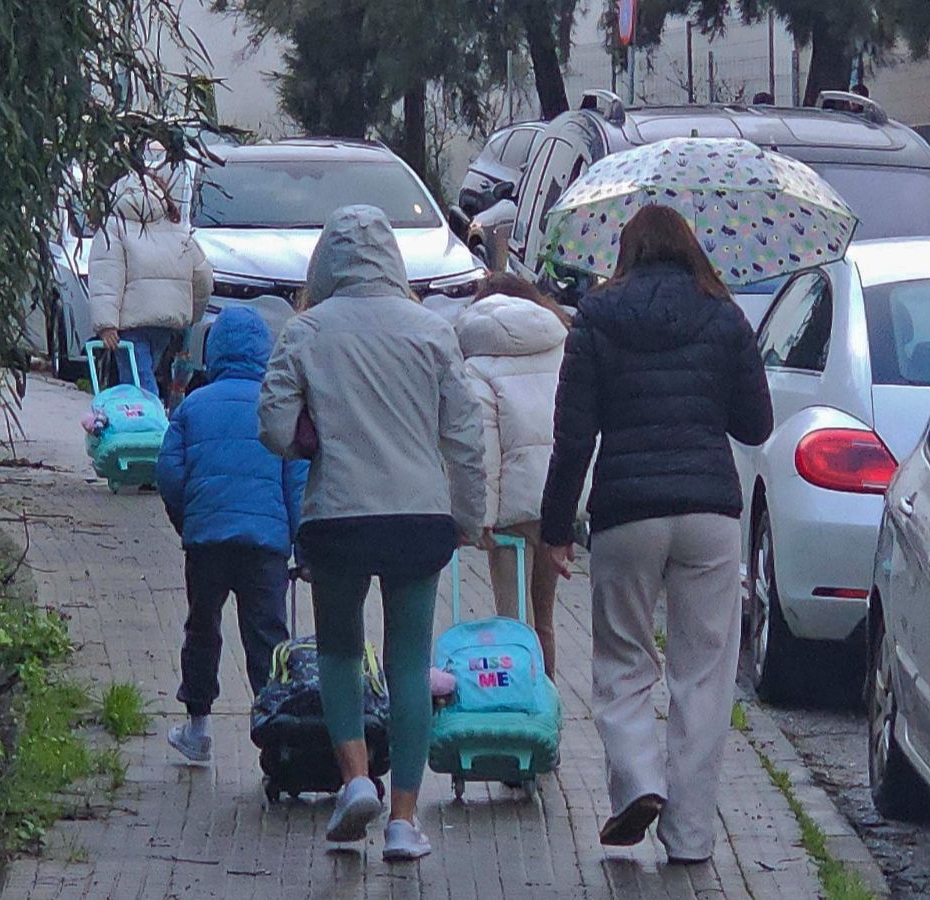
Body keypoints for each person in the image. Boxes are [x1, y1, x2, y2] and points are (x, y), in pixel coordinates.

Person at [539, 204, 773, 864]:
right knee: (703, 674)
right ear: (690, 248)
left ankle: (639, 783)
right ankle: (693, 836)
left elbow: (574, 435)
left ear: (627, 249)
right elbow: (756, 426)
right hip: (709, 516)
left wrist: (556, 529)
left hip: (627, 514)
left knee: (622, 662)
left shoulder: (597, 315)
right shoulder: (724, 314)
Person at [259, 205, 487, 861]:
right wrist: (468, 517)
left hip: (337, 515)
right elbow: (465, 438)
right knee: (410, 661)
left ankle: (356, 779)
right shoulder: (432, 330)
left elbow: (273, 429)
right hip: (419, 516)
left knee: (338, 652)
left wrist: (314, 438)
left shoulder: (305, 331)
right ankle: (404, 820)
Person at [156, 307, 305, 762]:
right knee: (267, 636)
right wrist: (300, 540)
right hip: (266, 547)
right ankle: (279, 735)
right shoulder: (276, 405)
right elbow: (297, 480)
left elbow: (168, 472)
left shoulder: (194, 406)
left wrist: (188, 519)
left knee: (203, 629)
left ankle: (198, 728)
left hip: (207, 543)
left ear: (212, 351)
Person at [455, 273, 570, 678]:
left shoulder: (478, 358)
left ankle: (522, 718)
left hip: (509, 512)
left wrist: (479, 517)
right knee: (544, 621)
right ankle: (549, 719)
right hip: (557, 501)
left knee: (513, 625)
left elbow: (482, 445)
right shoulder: (557, 344)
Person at [88, 170, 213, 399]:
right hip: (167, 322)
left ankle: (149, 427)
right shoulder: (176, 229)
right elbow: (203, 275)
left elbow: (106, 276)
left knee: (138, 382)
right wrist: (192, 314)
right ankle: (150, 417)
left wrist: (106, 324)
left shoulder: (114, 228)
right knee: (148, 374)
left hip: (131, 322)